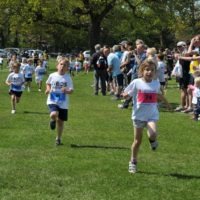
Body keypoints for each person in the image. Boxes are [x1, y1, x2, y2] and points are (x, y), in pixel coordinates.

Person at [121, 59, 171, 174]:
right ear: (142, 71)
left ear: (155, 72)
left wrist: (167, 104)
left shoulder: (156, 83)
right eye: (147, 70)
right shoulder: (136, 82)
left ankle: (153, 141)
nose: (149, 72)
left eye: (152, 70)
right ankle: (133, 162)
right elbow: (127, 93)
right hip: (138, 116)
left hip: (151, 115)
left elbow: (158, 95)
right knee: (137, 141)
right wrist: (125, 95)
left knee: (153, 133)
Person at [45, 57, 73, 145]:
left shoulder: (68, 78)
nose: (62, 66)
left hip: (63, 102)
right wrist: (48, 89)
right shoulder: (52, 75)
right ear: (57, 66)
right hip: (52, 99)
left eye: (65, 65)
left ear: (67, 68)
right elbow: (48, 83)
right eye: (61, 64)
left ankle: (58, 138)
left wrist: (67, 91)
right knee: (54, 114)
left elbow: (71, 90)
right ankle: (53, 120)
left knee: (60, 122)